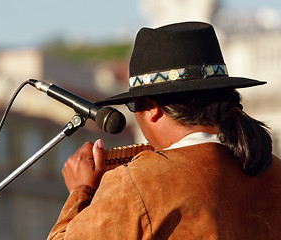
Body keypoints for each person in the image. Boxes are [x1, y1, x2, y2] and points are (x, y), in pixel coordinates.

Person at [47, 22, 281, 239]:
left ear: (151, 108)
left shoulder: (138, 181)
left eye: (133, 106)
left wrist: (81, 191)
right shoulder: (275, 172)